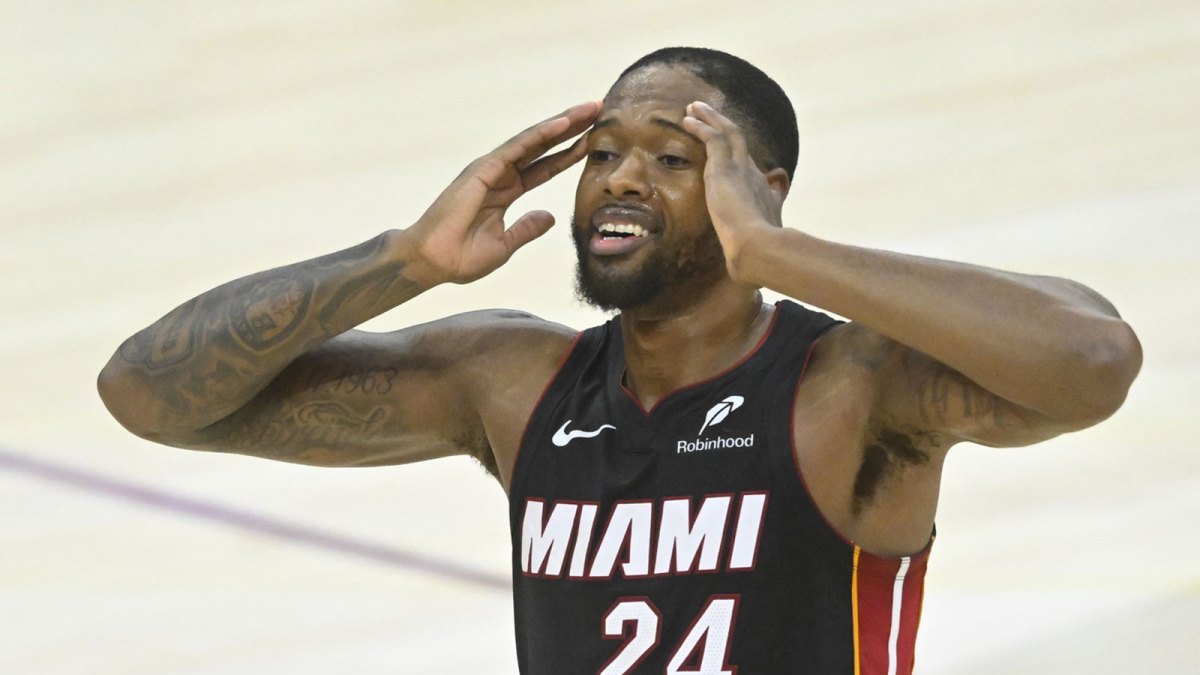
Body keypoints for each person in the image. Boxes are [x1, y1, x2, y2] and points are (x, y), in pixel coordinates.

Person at [97, 47, 1141, 674]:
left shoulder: (850, 389)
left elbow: (1093, 359)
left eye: (671, 158)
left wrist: (779, 252)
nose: (620, 180)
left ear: (758, 186)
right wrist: (405, 259)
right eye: (603, 154)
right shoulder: (511, 382)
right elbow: (148, 393)